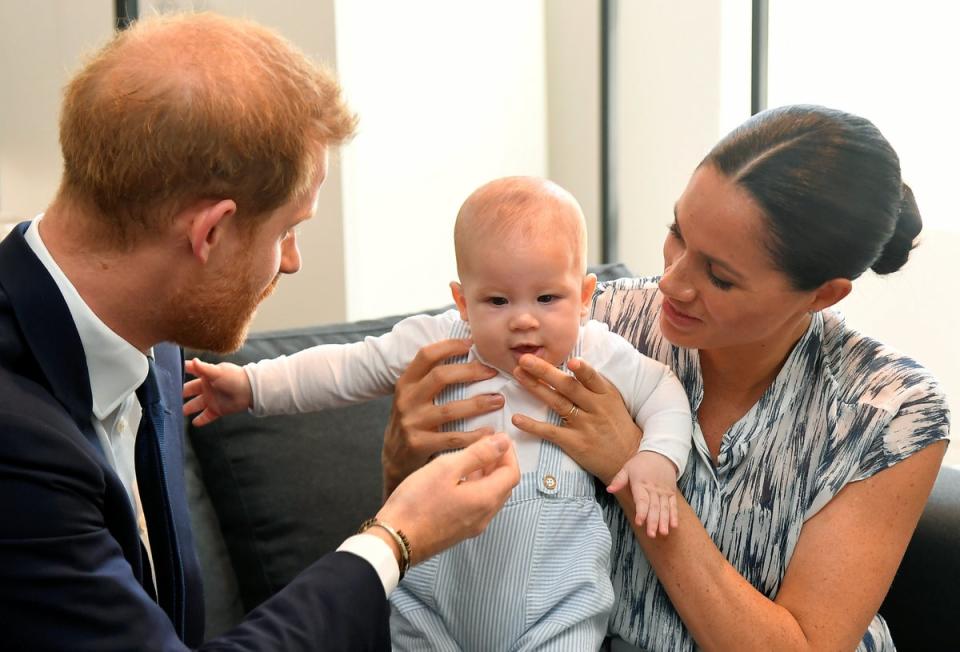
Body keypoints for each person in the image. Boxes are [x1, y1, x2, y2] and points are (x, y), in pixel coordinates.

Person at [0, 12, 520, 651]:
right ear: (210, 233)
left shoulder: (154, 336)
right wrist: (394, 539)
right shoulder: (16, 439)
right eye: (288, 231)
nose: (293, 261)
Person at [382, 105, 951, 651]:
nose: (672, 284)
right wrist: (401, 459)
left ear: (823, 294)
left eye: (720, 277)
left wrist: (634, 468)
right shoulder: (592, 325)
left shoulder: (889, 409)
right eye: (677, 233)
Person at [183, 175, 694, 650]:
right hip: (434, 608)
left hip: (557, 613)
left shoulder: (597, 352)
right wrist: (250, 386)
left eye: (546, 298)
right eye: (496, 300)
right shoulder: (441, 341)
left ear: (583, 297)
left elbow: (663, 393)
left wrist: (655, 460)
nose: (522, 320)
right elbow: (346, 368)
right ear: (462, 302)